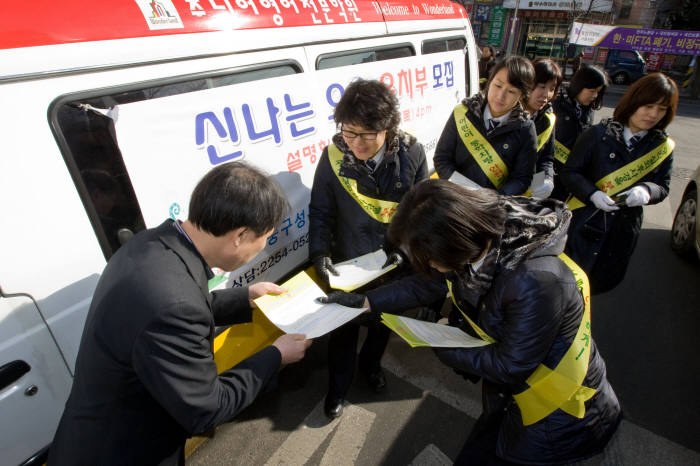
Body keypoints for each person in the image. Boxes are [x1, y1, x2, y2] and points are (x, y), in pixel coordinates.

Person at [48, 162, 312, 465]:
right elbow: (208, 408)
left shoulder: (153, 243)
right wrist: (276, 355)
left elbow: (179, 304)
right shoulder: (173, 303)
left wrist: (246, 297)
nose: (264, 245)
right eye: (265, 236)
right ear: (239, 235)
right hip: (124, 452)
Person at [387, 179, 622, 465]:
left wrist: (439, 342)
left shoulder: (533, 279)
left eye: (430, 259)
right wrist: (367, 302)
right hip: (512, 400)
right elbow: (428, 285)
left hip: (559, 418)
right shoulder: (484, 238)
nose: (429, 266)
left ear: (456, 242)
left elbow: (509, 366)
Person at [309, 79, 430, 419]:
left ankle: (371, 368)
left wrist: (405, 253)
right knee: (343, 333)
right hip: (349, 265)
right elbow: (320, 212)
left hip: (394, 266)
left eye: (367, 134)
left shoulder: (413, 152)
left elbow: (422, 214)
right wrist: (319, 254)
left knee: (382, 325)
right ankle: (336, 389)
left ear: (388, 128)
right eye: (349, 132)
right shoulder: (333, 157)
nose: (356, 143)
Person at [562, 73, 678, 294]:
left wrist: (646, 191)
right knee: (566, 285)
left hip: (621, 231)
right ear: (634, 101)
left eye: (662, 109)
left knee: (597, 286)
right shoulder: (597, 134)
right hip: (583, 223)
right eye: (649, 106)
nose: (653, 114)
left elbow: (662, 186)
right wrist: (592, 194)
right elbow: (571, 172)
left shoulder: (662, 147)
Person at [434, 55, 538, 196]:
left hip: (493, 210)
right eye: (498, 85)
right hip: (456, 202)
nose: (500, 96)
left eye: (511, 91)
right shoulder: (463, 113)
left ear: (521, 95)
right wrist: (464, 190)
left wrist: (493, 201)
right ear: (490, 82)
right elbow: (442, 158)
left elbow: (522, 179)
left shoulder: (525, 129)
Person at [550, 64, 608, 200]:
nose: (595, 96)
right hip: (549, 170)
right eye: (592, 91)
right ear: (580, 85)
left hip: (571, 173)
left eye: (598, 92)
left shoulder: (588, 110)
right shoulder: (556, 102)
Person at [523, 58, 563, 198]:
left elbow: (546, 158)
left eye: (552, 89)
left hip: (525, 196)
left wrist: (547, 179)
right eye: (541, 86)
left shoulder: (548, 119)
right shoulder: (507, 113)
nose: (546, 95)